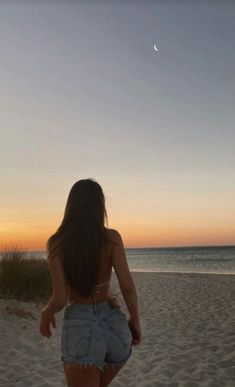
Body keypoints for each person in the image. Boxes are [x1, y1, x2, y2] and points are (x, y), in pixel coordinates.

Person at [39, 178, 142, 387]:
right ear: (100, 206)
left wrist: (46, 313)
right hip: (115, 327)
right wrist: (135, 320)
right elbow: (128, 287)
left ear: (71, 206)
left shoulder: (57, 243)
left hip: (80, 327)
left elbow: (59, 298)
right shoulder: (112, 238)